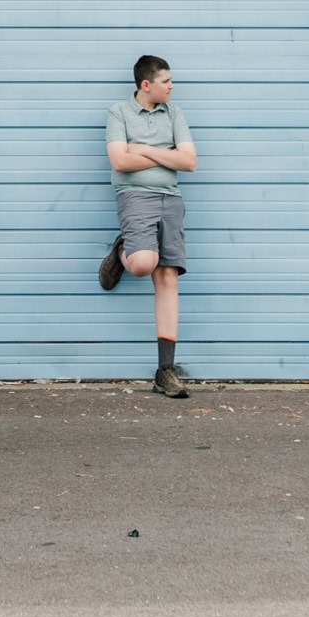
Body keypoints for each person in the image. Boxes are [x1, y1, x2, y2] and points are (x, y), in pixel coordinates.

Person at [98, 55, 197, 398]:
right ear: (146, 84)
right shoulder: (119, 113)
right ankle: (123, 249)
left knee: (168, 277)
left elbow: (189, 162)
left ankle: (164, 371)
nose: (172, 87)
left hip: (170, 199)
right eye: (166, 81)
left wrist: (142, 148)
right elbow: (119, 161)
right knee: (143, 264)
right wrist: (163, 152)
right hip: (135, 197)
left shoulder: (176, 114)